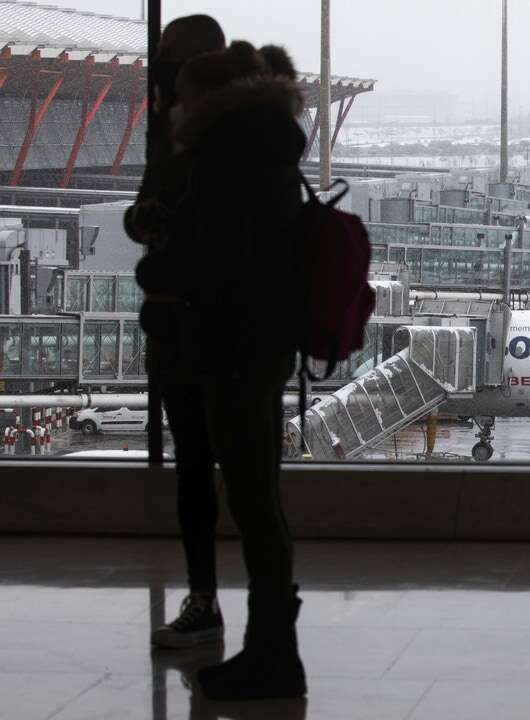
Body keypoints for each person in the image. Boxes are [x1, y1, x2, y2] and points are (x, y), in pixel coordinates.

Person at [164, 40, 308, 700]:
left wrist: (153, 267)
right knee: (261, 499)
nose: (173, 105)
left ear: (206, 99)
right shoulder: (271, 150)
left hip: (230, 346)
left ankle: (272, 656)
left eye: (183, 94)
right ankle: (274, 646)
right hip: (266, 343)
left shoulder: (224, 159)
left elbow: (217, 262)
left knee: (250, 501)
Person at [126, 14, 226, 651]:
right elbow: (142, 213)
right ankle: (204, 596)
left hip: (225, 327)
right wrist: (147, 220)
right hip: (175, 323)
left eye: (169, 58)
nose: (158, 70)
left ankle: (263, 628)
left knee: (233, 472)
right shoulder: (167, 133)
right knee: (194, 469)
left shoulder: (238, 138)